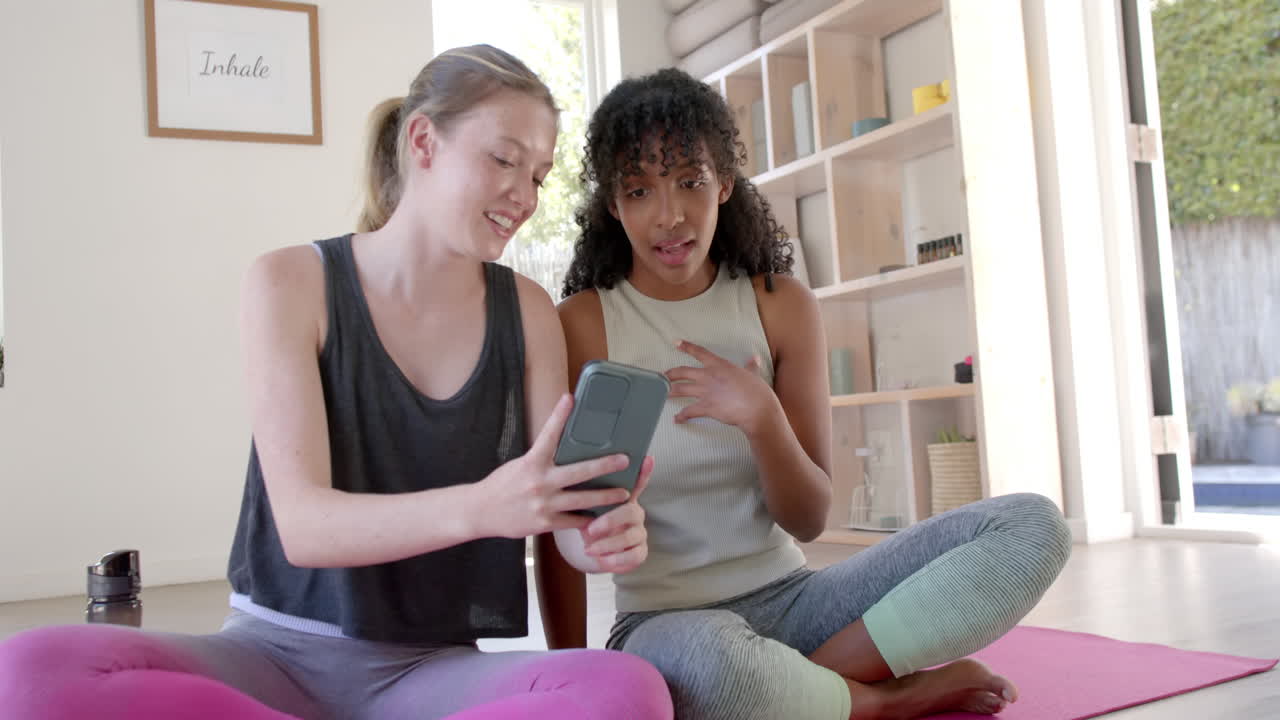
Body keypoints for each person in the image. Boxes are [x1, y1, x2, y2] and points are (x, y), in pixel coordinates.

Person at [0, 45, 672, 720]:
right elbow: (305, 527)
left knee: (624, 690)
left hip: (430, 672)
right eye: (503, 160)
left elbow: (554, 517)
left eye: (538, 176)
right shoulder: (289, 283)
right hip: (271, 658)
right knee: (30, 670)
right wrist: (482, 507)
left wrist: (597, 535)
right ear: (422, 140)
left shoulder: (526, 310)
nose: (523, 197)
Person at [549, 67, 1072, 720]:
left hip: (797, 603)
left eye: (690, 181)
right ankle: (883, 702)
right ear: (612, 204)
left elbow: (808, 519)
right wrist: (566, 678)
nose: (669, 215)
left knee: (1031, 527)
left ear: (725, 184)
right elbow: (556, 524)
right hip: (668, 626)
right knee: (714, 661)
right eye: (639, 190)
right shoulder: (579, 326)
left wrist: (762, 418)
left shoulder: (780, 306)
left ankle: (804, 694)